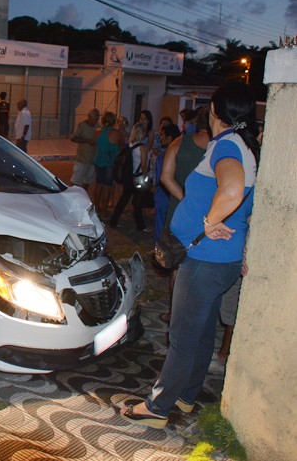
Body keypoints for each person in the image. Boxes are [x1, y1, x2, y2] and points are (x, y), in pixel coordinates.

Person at [121, 82, 259, 429]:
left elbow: (230, 189)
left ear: (214, 111)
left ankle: (158, 405)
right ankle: (186, 395)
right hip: (219, 260)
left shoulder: (226, 145)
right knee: (200, 331)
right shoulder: (243, 145)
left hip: (205, 259)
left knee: (182, 335)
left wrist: (210, 221)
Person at [159, 106, 210, 323]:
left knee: (177, 263)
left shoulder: (180, 142)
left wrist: (183, 197)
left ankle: (174, 312)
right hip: (210, 213)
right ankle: (196, 314)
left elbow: (166, 177)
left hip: (179, 211)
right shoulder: (222, 147)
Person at [109, 123, 150, 231]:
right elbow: (144, 165)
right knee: (138, 202)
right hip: (139, 176)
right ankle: (140, 225)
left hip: (129, 176)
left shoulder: (130, 145)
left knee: (124, 199)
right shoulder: (142, 148)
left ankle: (114, 220)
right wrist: (146, 178)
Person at [153, 123, 181, 244]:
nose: (161, 139)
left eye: (163, 136)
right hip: (180, 192)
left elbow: (161, 176)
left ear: (169, 138)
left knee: (160, 225)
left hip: (164, 193)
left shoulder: (164, 155)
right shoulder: (182, 152)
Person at [93, 111, 124, 216]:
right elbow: (122, 146)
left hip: (98, 161)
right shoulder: (116, 133)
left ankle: (97, 208)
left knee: (98, 185)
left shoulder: (97, 132)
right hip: (109, 163)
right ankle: (104, 211)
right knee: (107, 187)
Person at [70, 108, 100, 191]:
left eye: (98, 116)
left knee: (87, 181)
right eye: (95, 116)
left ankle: (83, 196)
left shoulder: (98, 126)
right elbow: (73, 138)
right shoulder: (82, 125)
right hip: (82, 159)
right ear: (89, 116)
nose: (97, 118)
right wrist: (86, 141)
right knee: (76, 181)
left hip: (92, 160)